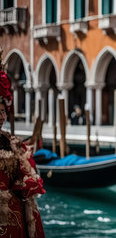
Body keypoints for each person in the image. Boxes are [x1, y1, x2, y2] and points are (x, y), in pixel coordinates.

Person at [0, 64, 46, 237]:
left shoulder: (11, 142)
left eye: (3, 111)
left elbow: (20, 175)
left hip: (14, 214)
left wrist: (27, 181)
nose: (1, 117)